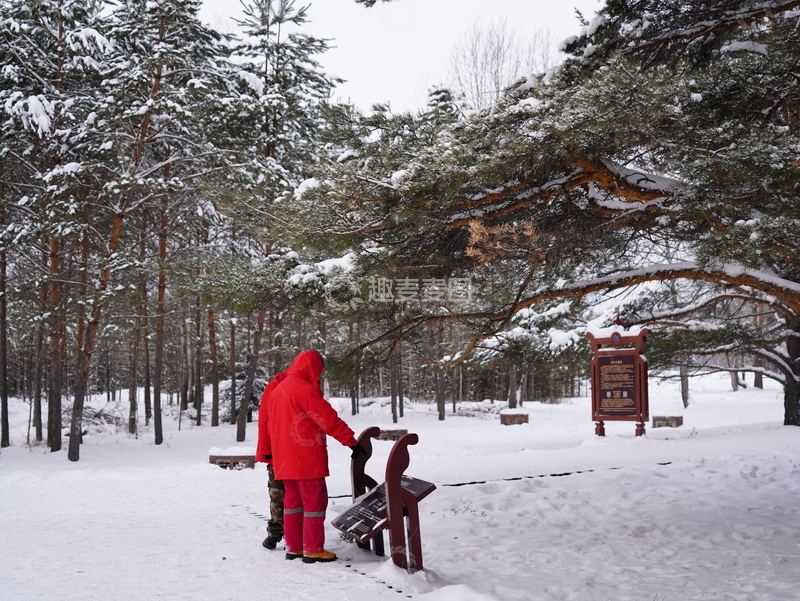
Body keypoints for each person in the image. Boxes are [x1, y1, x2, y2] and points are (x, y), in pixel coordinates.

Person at [255, 350, 362, 563]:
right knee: (314, 503)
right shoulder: (306, 390)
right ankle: (313, 549)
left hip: (283, 459)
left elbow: (266, 422)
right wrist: (351, 441)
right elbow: (328, 419)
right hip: (306, 458)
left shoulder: (278, 389)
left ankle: (294, 547)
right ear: (313, 368)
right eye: (319, 370)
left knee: (292, 504)